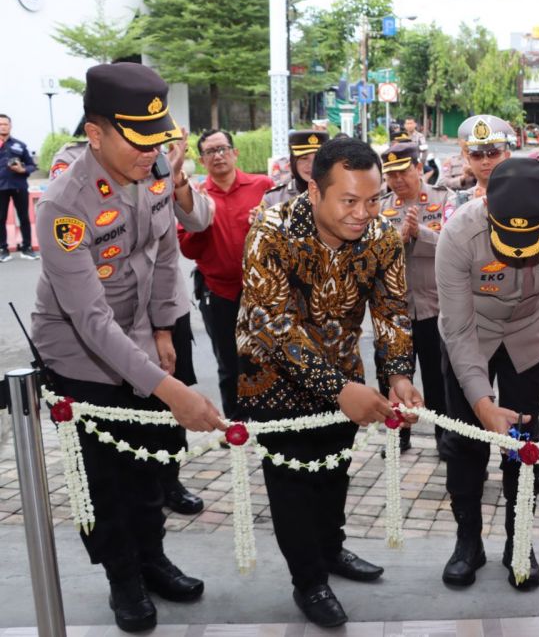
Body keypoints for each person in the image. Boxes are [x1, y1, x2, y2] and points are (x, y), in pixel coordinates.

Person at [31, 62, 226, 633]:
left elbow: (164, 253)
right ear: (95, 134)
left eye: (158, 139)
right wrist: (171, 390)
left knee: (150, 464)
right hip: (79, 356)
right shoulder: (64, 204)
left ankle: (153, 560)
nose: (153, 153)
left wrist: (163, 329)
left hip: (140, 334)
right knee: (105, 478)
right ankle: (123, 577)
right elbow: (89, 320)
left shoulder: (156, 170)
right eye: (138, 141)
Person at [238, 137, 421, 627]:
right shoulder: (270, 231)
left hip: (344, 373)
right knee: (293, 485)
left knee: (334, 471)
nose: (363, 213)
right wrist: (341, 389)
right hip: (274, 379)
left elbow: (392, 311)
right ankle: (310, 581)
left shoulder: (382, 236)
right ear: (315, 191)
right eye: (349, 201)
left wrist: (399, 375)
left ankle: (331, 549)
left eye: (373, 199)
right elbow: (274, 327)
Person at [435, 158, 539, 590]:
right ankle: (467, 542)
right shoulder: (458, 235)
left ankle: (519, 541)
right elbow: (457, 328)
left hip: (530, 335)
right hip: (473, 333)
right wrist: (482, 403)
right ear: (488, 208)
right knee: (466, 440)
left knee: (522, 441)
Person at [48, 121, 215, 517]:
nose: (152, 146)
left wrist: (175, 176)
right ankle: (134, 505)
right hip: (106, 321)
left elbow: (191, 227)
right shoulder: (71, 168)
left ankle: (168, 480)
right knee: (119, 431)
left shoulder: (158, 164)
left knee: (169, 406)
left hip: (162, 307)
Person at [178, 130, 273, 418]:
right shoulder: (195, 196)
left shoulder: (263, 186)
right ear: (202, 160)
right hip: (219, 293)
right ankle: (236, 426)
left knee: (266, 359)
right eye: (210, 152)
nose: (218, 156)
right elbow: (187, 249)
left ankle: (268, 424)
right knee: (229, 363)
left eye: (222, 149)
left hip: (261, 292)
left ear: (234, 152)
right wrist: (203, 222)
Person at [380, 141, 453, 452]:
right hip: (394, 312)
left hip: (434, 308)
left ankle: (445, 438)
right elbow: (370, 253)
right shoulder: (379, 207)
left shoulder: (444, 198)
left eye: (403, 172)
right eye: (390, 174)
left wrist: (419, 232)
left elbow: (453, 245)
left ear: (419, 168)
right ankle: (399, 435)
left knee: (439, 379)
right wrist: (397, 240)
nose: (397, 180)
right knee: (395, 377)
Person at [444, 115, 514, 217]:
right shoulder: (456, 204)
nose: (485, 161)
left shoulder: (522, 197)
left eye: (493, 153)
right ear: (469, 160)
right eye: (477, 155)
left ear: (506, 156)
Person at [259, 130, 329, 211]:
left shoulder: (336, 194)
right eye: (304, 158)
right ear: (292, 162)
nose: (311, 165)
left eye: (317, 158)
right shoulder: (273, 198)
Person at [0, 114, 38, 260]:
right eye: (0, 124)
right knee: (0, 218)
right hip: (0, 187)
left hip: (19, 186)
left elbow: (32, 165)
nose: (3, 127)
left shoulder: (20, 145)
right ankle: (3, 249)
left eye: (5, 124)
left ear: (10, 126)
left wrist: (23, 169)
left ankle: (26, 248)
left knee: (24, 217)